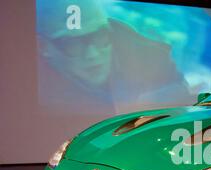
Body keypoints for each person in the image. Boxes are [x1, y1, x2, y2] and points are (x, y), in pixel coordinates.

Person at [36, 0, 194, 116]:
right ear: (43, 46)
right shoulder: (29, 84)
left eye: (99, 36)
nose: (93, 54)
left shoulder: (151, 55)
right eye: (72, 44)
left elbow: (182, 92)